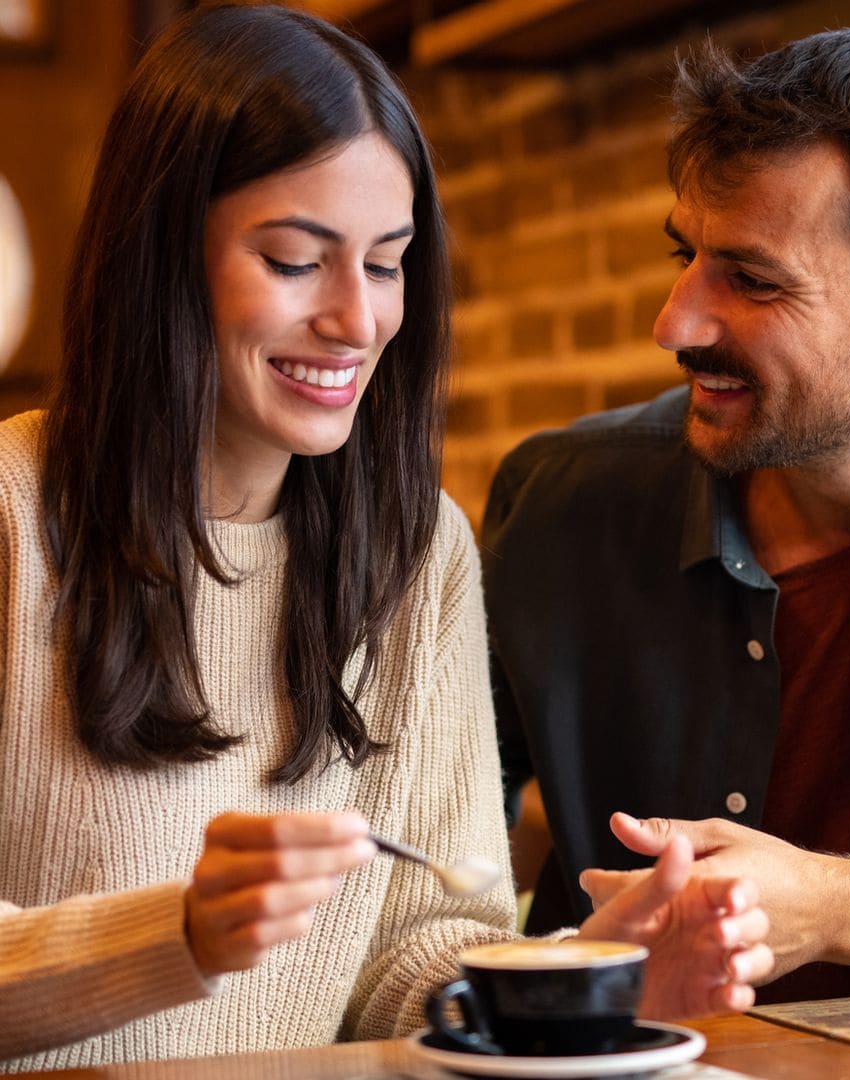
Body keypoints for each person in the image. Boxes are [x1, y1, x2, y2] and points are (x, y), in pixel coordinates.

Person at [0, 4, 773, 1068]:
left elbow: (415, 959)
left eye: (385, 263)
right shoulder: (12, 515)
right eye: (292, 259)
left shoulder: (419, 554)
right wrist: (171, 935)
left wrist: (587, 975)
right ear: (161, 255)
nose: (357, 320)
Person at [483, 26, 850, 1004]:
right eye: (687, 256)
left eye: (753, 281)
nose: (673, 324)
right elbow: (424, 878)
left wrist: (831, 902)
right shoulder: (559, 509)